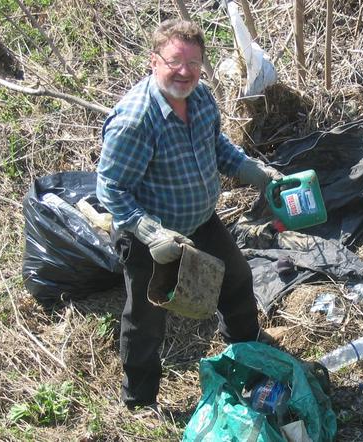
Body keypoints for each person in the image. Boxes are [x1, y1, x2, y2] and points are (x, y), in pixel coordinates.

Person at [96, 18, 281, 410]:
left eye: (194, 63)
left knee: (235, 278)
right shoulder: (135, 120)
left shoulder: (199, 98)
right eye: (175, 61)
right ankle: (139, 397)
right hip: (149, 236)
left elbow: (216, 145)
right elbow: (110, 189)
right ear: (154, 61)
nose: (185, 72)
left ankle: (246, 352)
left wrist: (254, 171)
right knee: (146, 319)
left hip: (199, 221)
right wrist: (150, 233)